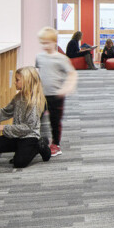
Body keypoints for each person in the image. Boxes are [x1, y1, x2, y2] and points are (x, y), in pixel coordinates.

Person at [0, 68, 52, 169]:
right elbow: (6, 111)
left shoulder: (33, 103)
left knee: (19, 162)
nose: (14, 82)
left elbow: (28, 128)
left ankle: (39, 144)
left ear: (26, 82)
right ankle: (22, 149)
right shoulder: (18, 97)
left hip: (29, 135)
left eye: (17, 80)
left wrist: (4, 128)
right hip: (17, 134)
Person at [36, 27, 78, 155]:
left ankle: (56, 144)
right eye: (42, 43)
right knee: (39, 119)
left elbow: (72, 73)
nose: (45, 46)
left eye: (47, 43)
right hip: (42, 95)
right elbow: (38, 72)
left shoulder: (61, 58)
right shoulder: (39, 57)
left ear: (55, 42)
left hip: (56, 95)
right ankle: (41, 142)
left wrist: (67, 87)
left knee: (55, 120)